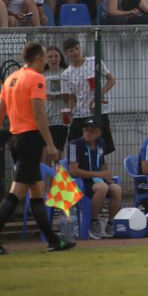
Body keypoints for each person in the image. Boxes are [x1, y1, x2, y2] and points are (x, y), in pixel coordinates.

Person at [0, 42, 75, 252]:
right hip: (30, 140)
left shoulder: (11, 78)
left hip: (16, 138)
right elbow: (39, 113)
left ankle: (53, 240)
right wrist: (50, 143)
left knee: (37, 190)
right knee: (18, 191)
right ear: (39, 59)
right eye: (44, 57)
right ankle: (53, 240)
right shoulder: (35, 79)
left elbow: (1, 108)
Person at [66, 117, 122, 239]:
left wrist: (107, 175)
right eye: (86, 129)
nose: (88, 133)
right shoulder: (74, 145)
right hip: (82, 183)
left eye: (92, 130)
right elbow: (73, 171)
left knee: (116, 189)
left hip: (98, 181)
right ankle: (94, 222)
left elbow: (102, 163)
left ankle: (110, 223)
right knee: (101, 187)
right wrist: (99, 175)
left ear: (99, 133)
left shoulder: (101, 144)